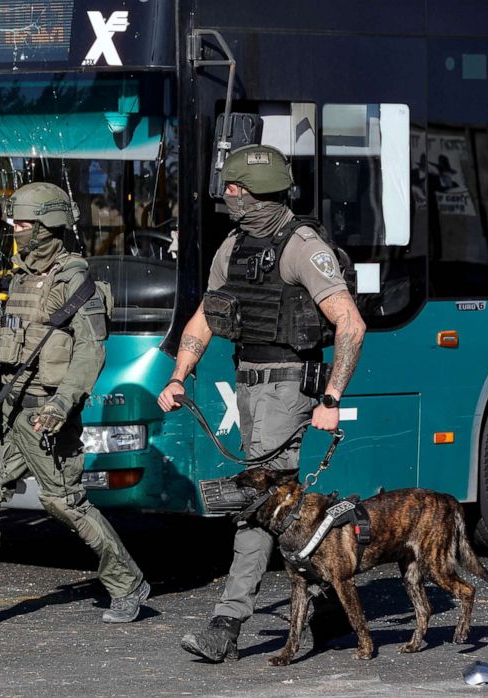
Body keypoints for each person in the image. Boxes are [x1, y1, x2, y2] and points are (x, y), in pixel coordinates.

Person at [157, 144, 366, 662]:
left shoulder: (301, 246)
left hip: (288, 386)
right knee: (287, 508)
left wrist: (332, 397)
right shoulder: (235, 246)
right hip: (248, 385)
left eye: (234, 190)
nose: (228, 198)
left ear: (258, 192)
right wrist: (179, 375)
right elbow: (205, 317)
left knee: (257, 505)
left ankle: (226, 623)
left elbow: (350, 322)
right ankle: (328, 608)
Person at [0, 182, 150, 627]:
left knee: (64, 503)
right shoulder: (21, 278)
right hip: (9, 408)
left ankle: (127, 582)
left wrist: (63, 403)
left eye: (24, 224)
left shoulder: (73, 280)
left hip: (48, 413)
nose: (16, 231)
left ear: (48, 227)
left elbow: (91, 352)